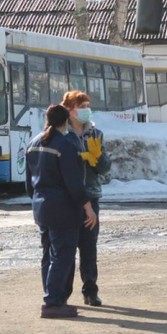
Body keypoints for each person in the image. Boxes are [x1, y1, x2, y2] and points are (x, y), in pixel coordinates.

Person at [25, 104, 98, 319]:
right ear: (65, 122)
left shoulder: (33, 143)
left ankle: (51, 296)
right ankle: (53, 302)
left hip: (41, 209)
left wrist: (39, 201)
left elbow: (29, 184)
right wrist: (88, 208)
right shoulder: (64, 146)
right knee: (62, 256)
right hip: (62, 210)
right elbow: (74, 183)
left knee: (48, 255)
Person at [61, 90, 111, 307]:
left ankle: (90, 290)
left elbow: (105, 167)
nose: (86, 110)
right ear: (70, 110)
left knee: (89, 246)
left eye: (88, 106)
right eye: (81, 106)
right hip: (68, 198)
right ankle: (63, 292)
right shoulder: (61, 134)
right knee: (67, 247)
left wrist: (97, 158)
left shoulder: (95, 134)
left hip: (91, 194)